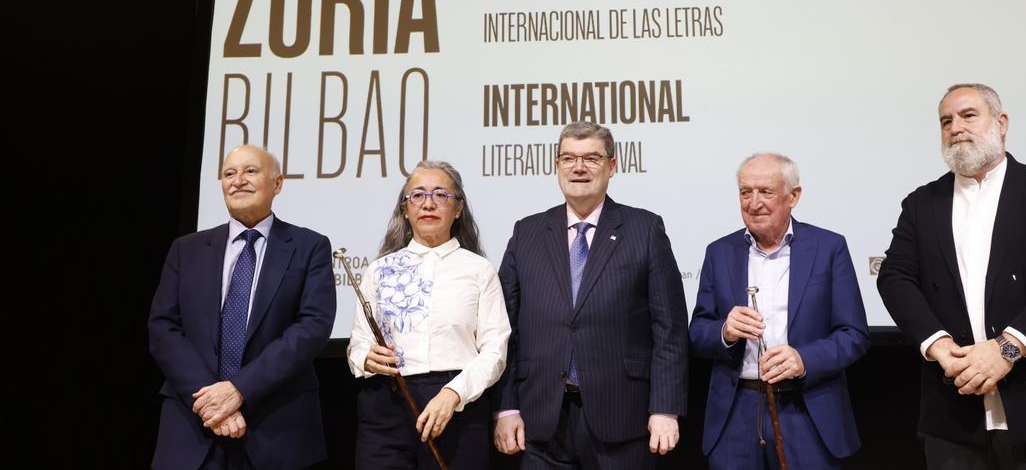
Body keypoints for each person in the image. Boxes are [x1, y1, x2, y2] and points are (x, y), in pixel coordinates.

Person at [877, 83, 1026, 468]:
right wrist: (941, 348)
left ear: (1001, 123)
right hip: (952, 416)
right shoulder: (921, 204)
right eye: (946, 121)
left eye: (968, 115)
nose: (955, 127)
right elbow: (894, 277)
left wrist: (1006, 350)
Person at [493, 121, 689, 469]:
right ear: (556, 165)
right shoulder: (527, 233)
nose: (578, 167)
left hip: (623, 418)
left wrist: (665, 408)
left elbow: (669, 329)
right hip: (541, 421)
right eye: (568, 158)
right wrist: (506, 407)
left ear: (612, 166)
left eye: (591, 158)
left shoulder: (645, 229)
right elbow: (504, 330)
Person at [148, 145, 336, 470]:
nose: (238, 181)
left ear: (277, 183)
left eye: (251, 171)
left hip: (276, 430)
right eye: (229, 174)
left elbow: (312, 326)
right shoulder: (186, 249)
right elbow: (163, 328)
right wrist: (211, 401)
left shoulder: (309, 247)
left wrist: (240, 389)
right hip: (193, 427)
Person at [690, 152, 870, 469]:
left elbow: (853, 335)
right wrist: (725, 332)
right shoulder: (719, 252)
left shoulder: (828, 248)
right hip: (736, 413)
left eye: (766, 192)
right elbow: (698, 332)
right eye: (746, 192)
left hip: (807, 408)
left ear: (794, 196)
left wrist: (804, 359)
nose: (754, 202)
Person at [347, 160, 511, 469]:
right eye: (418, 195)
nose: (429, 203)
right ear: (405, 209)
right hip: (386, 405)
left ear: (458, 208)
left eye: (440, 195)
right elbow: (358, 343)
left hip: (458, 406)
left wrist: (452, 394)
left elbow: (495, 351)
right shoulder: (378, 270)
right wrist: (365, 358)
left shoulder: (479, 270)